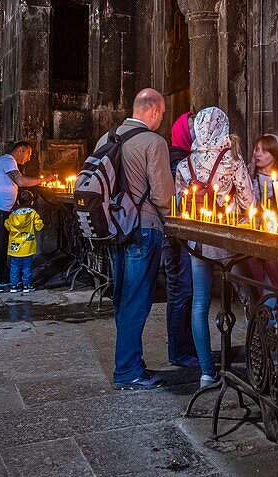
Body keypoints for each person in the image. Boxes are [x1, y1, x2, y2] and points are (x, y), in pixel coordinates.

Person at [97, 88, 174, 390]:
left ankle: (129, 361)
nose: (162, 118)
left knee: (121, 297)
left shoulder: (108, 138)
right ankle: (127, 370)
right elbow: (163, 195)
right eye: (162, 113)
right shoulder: (154, 142)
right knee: (137, 299)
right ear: (153, 111)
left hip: (115, 228)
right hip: (143, 227)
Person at [175, 107, 255, 386]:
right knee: (249, 297)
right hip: (227, 237)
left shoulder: (186, 163)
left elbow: (179, 202)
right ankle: (258, 361)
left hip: (198, 239)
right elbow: (249, 201)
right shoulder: (231, 159)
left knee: (200, 303)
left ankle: (207, 372)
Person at [0, 141, 52, 293]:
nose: (28, 158)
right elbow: (20, 181)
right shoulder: (7, 160)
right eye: (28, 154)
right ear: (20, 150)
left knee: (3, 244)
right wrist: (43, 180)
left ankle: (2, 277)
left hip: (3, 210)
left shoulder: (9, 162)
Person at [163, 111, 198, 368]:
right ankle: (180, 351)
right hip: (177, 236)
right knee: (181, 290)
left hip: (178, 234)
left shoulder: (179, 159)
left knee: (184, 290)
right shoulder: (179, 163)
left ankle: (186, 347)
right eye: (193, 129)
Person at [4, 189, 43, 292]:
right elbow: (38, 226)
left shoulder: (13, 215)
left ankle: (14, 286)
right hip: (28, 246)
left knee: (14, 267)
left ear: (17, 202)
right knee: (27, 267)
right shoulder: (33, 214)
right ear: (32, 202)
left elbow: (7, 225)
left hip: (14, 246)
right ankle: (26, 285)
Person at [250, 133, 278, 205]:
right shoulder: (249, 176)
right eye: (257, 149)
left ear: (275, 156)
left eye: (264, 151)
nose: (258, 154)